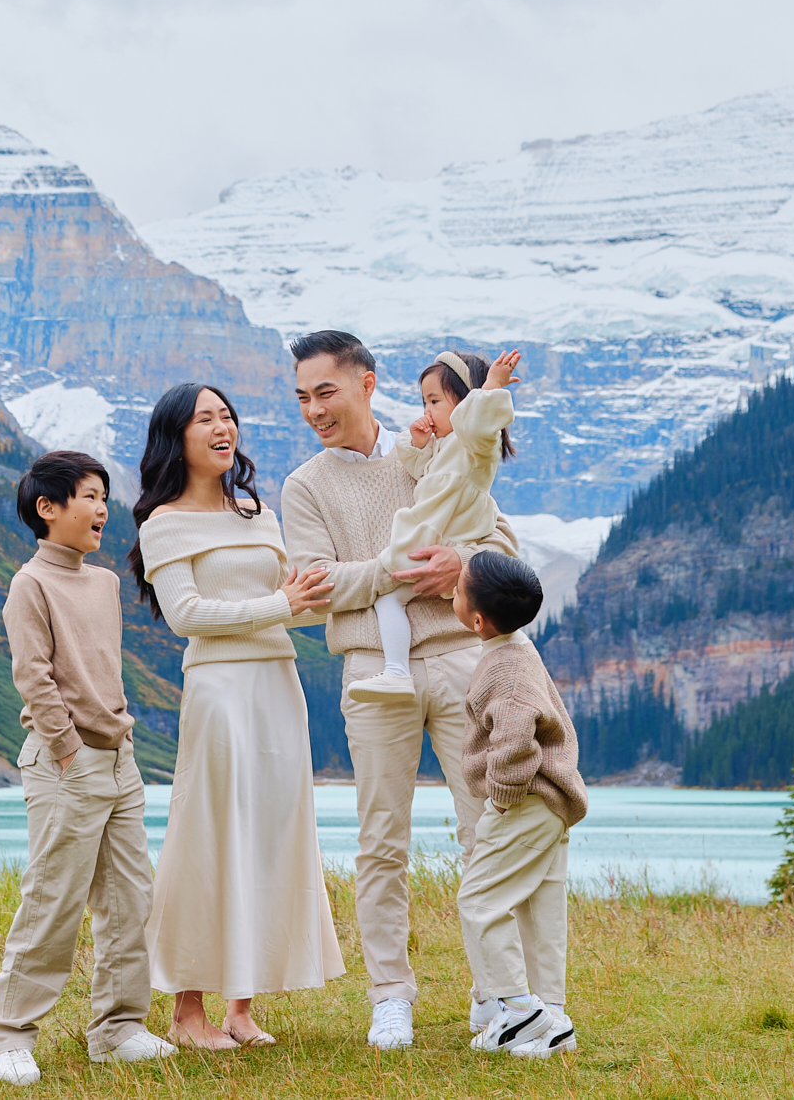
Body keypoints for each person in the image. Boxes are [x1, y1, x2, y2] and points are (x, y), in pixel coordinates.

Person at [279, 329, 518, 1051]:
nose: (315, 409)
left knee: (486, 827)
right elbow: (318, 591)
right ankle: (391, 994)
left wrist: (459, 561)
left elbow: (499, 549)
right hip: (368, 672)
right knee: (381, 840)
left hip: (456, 657)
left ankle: (496, 993)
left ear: (366, 383)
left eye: (326, 391)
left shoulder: (434, 448)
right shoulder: (304, 486)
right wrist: (394, 566)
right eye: (302, 397)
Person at [131, 382, 342, 1050]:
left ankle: (241, 1007)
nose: (223, 427)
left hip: (277, 682)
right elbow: (186, 614)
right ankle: (187, 1013)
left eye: (227, 416)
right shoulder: (163, 521)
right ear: (178, 436)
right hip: (219, 687)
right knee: (210, 835)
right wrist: (282, 603)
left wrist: (346, 587)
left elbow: (291, 602)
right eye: (206, 418)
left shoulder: (259, 513)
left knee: (272, 832)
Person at [0, 451, 176, 1086]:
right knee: (53, 899)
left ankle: (118, 1028)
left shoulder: (105, 583)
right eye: (89, 497)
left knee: (129, 898)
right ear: (49, 508)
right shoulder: (30, 583)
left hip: (119, 761)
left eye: (103, 496)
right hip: (64, 759)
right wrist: (68, 749)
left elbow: (101, 673)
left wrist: (114, 749)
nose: (101, 509)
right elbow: (33, 677)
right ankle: (11, 1035)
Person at [452, 550, 587, 1058]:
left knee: (480, 899)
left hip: (526, 802)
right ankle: (551, 1015)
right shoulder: (517, 648)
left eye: (459, 589)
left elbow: (515, 740)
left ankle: (518, 1008)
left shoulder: (505, 669)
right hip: (553, 801)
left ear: (478, 620)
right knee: (539, 905)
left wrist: (503, 798)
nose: (453, 593)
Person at [347, 347, 524, 706]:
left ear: (465, 402)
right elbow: (420, 472)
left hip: (442, 538)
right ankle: (397, 671)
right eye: (424, 401)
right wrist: (418, 443)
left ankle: (397, 672)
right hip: (435, 538)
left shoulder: (476, 443)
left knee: (388, 596)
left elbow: (478, 421)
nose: (427, 410)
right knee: (390, 599)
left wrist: (490, 386)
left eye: (435, 401)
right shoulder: (447, 447)